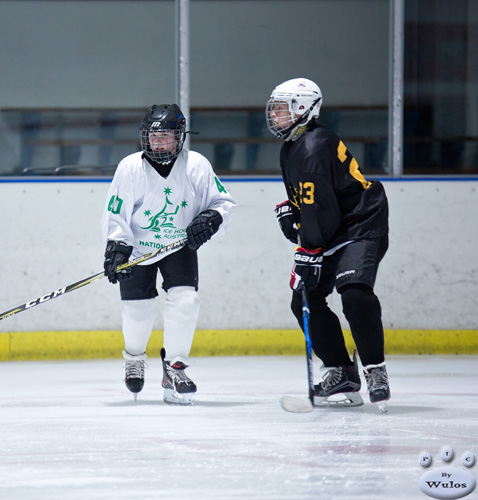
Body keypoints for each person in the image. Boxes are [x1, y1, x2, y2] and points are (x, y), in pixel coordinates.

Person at [266, 78, 391, 409]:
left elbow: (321, 207)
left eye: (282, 108)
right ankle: (342, 371)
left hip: (361, 223)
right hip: (333, 224)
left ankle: (375, 369)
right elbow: (310, 200)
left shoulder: (314, 144)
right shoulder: (292, 145)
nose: (275, 115)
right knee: (304, 299)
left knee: (354, 292)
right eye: (276, 108)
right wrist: (291, 211)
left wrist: (308, 249)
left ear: (304, 108)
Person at [101, 103, 236, 405]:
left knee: (186, 301)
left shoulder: (196, 165)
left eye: (165, 136)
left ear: (180, 137)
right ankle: (134, 357)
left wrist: (212, 217)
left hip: (178, 246)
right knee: (138, 310)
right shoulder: (130, 167)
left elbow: (223, 202)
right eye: (152, 136)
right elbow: (115, 211)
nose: (158, 142)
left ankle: (175, 367)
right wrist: (117, 246)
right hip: (138, 248)